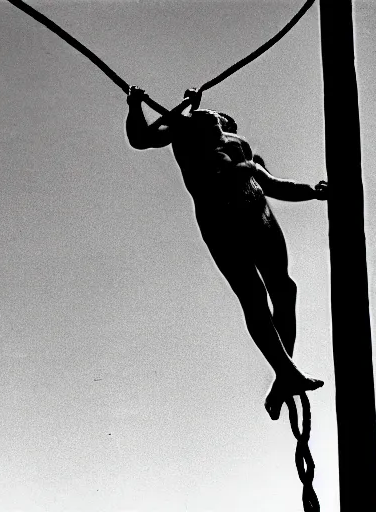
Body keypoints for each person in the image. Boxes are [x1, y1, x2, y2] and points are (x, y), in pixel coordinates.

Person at [125, 86, 328, 420]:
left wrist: (314, 192)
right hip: (219, 220)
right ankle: (286, 371)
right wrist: (137, 104)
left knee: (285, 290)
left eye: (217, 114)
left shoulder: (243, 149)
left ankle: (284, 372)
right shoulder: (183, 132)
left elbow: (275, 186)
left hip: (259, 216)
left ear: (226, 123)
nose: (210, 114)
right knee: (253, 296)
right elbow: (140, 138)